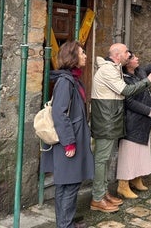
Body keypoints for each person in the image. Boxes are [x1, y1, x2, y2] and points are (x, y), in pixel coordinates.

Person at [90, 43, 151, 212]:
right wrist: (147, 82)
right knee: (101, 160)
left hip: (110, 120)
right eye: (126, 52)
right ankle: (97, 198)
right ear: (117, 55)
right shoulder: (107, 70)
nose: (129, 54)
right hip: (105, 121)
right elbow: (126, 91)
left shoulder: (114, 69)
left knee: (105, 160)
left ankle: (103, 193)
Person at [40, 41, 93, 228]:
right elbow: (59, 113)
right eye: (82, 53)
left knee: (66, 185)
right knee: (70, 185)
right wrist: (69, 142)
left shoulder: (73, 79)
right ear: (72, 57)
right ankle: (65, 225)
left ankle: (65, 223)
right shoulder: (66, 81)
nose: (85, 56)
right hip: (69, 141)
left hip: (72, 138)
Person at [116, 38, 151, 198]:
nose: (137, 59)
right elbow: (128, 101)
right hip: (132, 122)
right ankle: (123, 184)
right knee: (129, 154)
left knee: (140, 153)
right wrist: (149, 110)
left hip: (143, 122)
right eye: (134, 58)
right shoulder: (124, 79)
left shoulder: (140, 72)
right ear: (127, 63)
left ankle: (136, 179)